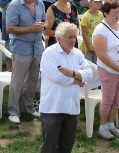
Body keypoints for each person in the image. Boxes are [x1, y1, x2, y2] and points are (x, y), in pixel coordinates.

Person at [39, 22, 93, 152]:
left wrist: (72, 73)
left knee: (67, 146)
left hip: (71, 108)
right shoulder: (49, 54)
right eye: (70, 37)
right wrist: (77, 80)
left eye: (75, 36)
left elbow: (89, 73)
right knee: (49, 147)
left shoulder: (78, 54)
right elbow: (57, 77)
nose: (73, 40)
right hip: (53, 108)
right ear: (59, 38)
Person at [92, 0, 119, 140]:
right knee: (107, 99)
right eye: (114, 12)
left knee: (117, 99)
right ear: (105, 13)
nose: (117, 15)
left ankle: (111, 124)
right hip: (109, 70)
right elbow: (101, 54)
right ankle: (102, 126)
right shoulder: (100, 30)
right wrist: (118, 68)